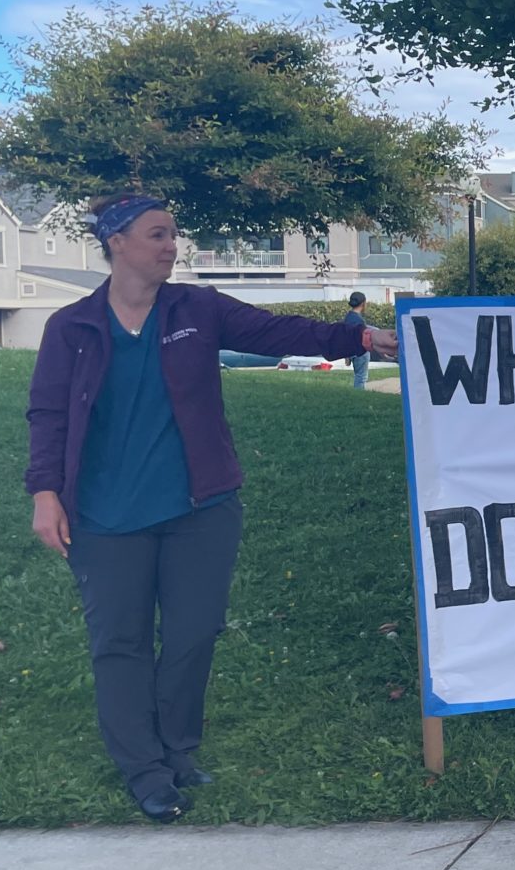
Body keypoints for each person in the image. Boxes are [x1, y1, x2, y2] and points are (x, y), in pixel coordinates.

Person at [25, 195, 399, 823]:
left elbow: (279, 330)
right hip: (106, 516)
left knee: (195, 633)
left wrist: (361, 336)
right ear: (117, 242)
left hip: (200, 508)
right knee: (121, 643)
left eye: (174, 234)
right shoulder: (73, 326)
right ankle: (144, 769)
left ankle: (178, 747)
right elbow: (48, 413)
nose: (171, 246)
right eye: (157, 235)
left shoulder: (196, 309)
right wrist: (45, 494)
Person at [344, 291, 370, 390]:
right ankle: (358, 395)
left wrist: (347, 355)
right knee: (361, 377)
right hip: (360, 351)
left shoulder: (348, 317)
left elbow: (345, 336)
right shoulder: (359, 320)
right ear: (363, 303)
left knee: (358, 375)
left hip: (352, 351)